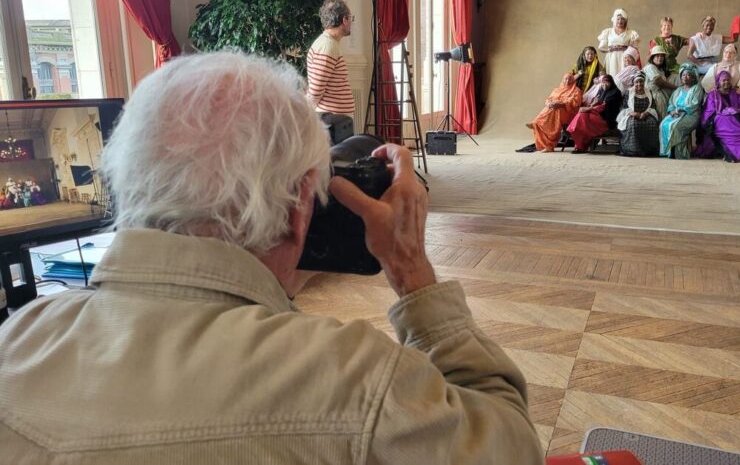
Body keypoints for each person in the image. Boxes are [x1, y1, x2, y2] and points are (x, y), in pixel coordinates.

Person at [0, 52, 543, 464]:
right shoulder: (355, 380)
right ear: (298, 208)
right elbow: (513, 444)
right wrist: (413, 273)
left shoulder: (17, 338)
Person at [306, 0, 355, 117]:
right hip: (332, 121)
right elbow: (316, 90)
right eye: (351, 18)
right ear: (344, 20)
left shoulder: (329, 43)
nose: (351, 23)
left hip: (335, 120)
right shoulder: (327, 46)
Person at [526, 72, 582, 152]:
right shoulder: (557, 90)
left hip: (568, 112)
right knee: (550, 108)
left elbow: (575, 103)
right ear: (563, 80)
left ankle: (537, 123)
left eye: (569, 79)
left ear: (573, 80)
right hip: (554, 110)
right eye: (566, 78)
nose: (567, 80)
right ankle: (546, 144)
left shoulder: (576, 91)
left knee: (556, 110)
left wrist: (561, 104)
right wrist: (548, 103)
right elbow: (548, 99)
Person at [566, 74, 623, 153]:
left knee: (582, 118)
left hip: (606, 120)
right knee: (581, 116)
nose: (604, 84)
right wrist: (592, 106)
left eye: (607, 82)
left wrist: (589, 108)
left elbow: (604, 107)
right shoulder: (602, 91)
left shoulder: (615, 92)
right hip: (597, 115)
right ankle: (580, 146)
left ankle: (581, 146)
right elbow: (596, 103)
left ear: (611, 82)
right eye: (603, 82)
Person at [660, 62, 704, 159]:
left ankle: (681, 154)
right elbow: (671, 103)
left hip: (691, 115)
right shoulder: (678, 90)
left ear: (693, 77)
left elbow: (694, 105)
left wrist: (680, 110)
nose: (685, 77)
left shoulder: (697, 89)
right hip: (676, 114)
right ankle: (669, 152)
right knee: (664, 124)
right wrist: (671, 111)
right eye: (683, 75)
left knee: (677, 128)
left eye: (688, 75)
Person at [617, 73, 660, 157]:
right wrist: (634, 113)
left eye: (641, 81)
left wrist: (646, 113)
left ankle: (649, 150)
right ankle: (633, 150)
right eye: (637, 82)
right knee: (634, 124)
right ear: (634, 83)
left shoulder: (649, 92)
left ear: (644, 82)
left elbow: (653, 107)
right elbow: (624, 107)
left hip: (646, 114)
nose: (639, 84)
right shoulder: (628, 92)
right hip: (632, 114)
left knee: (652, 123)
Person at [597, 8, 640, 77]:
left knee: (624, 78)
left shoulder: (631, 33)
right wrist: (609, 50)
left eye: (623, 19)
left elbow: (635, 49)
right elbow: (601, 48)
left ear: (625, 20)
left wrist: (625, 50)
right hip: (611, 58)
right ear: (614, 20)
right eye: (618, 19)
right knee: (612, 77)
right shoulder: (608, 32)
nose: (620, 21)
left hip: (625, 59)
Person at [642, 45, 677, 120]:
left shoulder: (660, 70)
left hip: (660, 94)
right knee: (661, 117)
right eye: (657, 56)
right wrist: (676, 88)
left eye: (662, 56)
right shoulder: (650, 67)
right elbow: (660, 83)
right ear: (653, 57)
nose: (660, 58)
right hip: (653, 95)